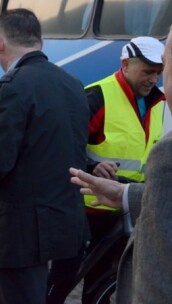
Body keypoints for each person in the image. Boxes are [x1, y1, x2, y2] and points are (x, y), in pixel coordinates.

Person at [0, 9, 89, 303]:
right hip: (65, 223)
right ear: (41, 41)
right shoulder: (72, 83)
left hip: (21, 232)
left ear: (0, 43)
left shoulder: (12, 86)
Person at [70, 26, 172, 304]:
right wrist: (91, 168)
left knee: (114, 276)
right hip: (92, 206)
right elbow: (69, 146)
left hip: (130, 204)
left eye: (158, 71)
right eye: (147, 71)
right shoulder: (98, 96)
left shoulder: (159, 102)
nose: (153, 79)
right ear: (125, 65)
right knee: (75, 275)